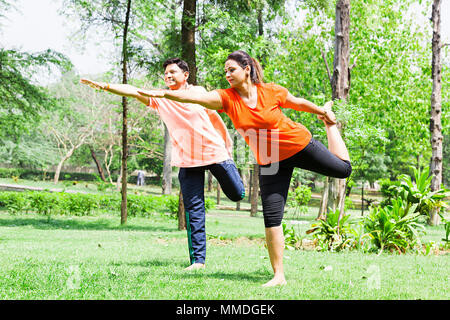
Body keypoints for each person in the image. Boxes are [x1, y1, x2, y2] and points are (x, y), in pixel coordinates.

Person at [138, 50, 352, 287]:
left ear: (246, 69)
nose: (227, 74)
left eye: (232, 70)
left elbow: (297, 103)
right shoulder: (226, 98)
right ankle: (278, 276)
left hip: (298, 144)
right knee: (272, 219)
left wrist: (323, 113)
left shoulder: (271, 91)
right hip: (270, 161)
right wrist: (159, 93)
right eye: (225, 71)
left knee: (343, 170)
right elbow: (192, 99)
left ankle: (331, 128)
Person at [80, 58, 245, 271]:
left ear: (185, 75)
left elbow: (214, 117)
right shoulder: (160, 98)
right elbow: (132, 90)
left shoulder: (198, 92)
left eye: (173, 72)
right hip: (188, 159)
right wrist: (106, 86)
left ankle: (231, 172)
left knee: (237, 194)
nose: (168, 76)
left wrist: (227, 140)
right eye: (166, 73)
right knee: (194, 210)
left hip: (214, 152)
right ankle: (198, 262)